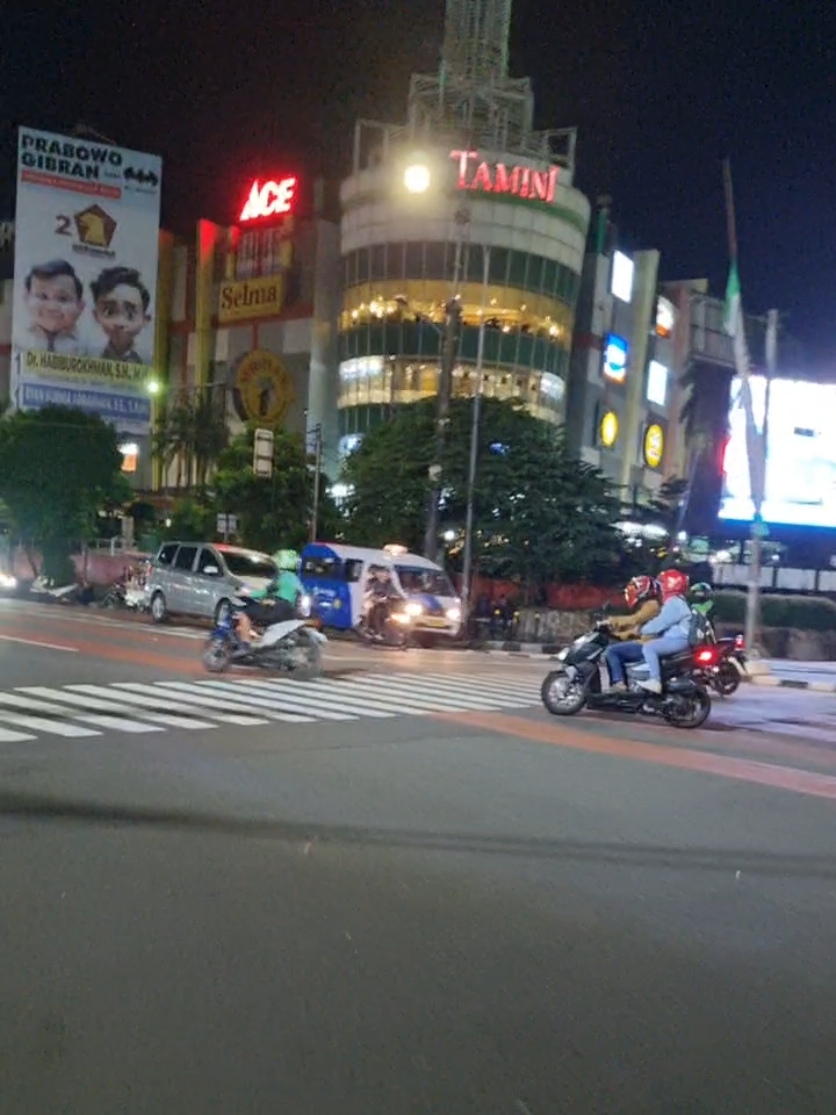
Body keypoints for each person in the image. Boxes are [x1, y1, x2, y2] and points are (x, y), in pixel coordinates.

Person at [605, 569, 692, 694]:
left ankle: (655, 681)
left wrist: (642, 630)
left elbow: (660, 623)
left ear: (670, 584)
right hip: (673, 638)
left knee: (649, 648)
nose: (659, 586)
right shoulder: (674, 602)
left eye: (662, 583)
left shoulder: (674, 603)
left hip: (677, 639)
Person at [603, 575, 662, 686]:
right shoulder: (646, 605)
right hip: (646, 641)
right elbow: (636, 631)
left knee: (612, 651)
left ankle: (618, 683)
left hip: (647, 644)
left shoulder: (652, 605)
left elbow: (634, 620)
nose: (630, 593)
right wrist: (617, 635)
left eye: (633, 589)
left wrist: (612, 621)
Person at [236, 550, 303, 646]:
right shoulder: (296, 579)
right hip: (291, 613)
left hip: (278, 609)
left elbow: (264, 592)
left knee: (245, 614)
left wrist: (247, 594)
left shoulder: (281, 577)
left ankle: (244, 645)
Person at [90, 266, 152, 363]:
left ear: (145, 319)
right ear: (96, 315)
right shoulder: (88, 358)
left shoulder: (151, 361)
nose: (119, 322)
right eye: (109, 312)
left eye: (130, 314)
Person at [23, 260, 86, 354]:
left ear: (80, 306)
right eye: (42, 297)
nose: (52, 307)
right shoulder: (16, 338)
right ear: (26, 299)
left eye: (63, 299)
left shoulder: (91, 346)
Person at [362, 565, 402, 636]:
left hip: (388, 605)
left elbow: (396, 593)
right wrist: (374, 598)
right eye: (383, 573)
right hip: (374, 603)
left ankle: (384, 631)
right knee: (372, 609)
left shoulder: (391, 584)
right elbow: (368, 593)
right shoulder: (372, 583)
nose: (385, 575)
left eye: (387, 573)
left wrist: (392, 597)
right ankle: (371, 628)